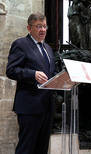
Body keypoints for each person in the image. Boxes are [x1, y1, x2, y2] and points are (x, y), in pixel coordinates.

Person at [6, 12, 55, 154]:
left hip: (47, 106)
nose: (43, 30)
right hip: (29, 106)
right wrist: (32, 74)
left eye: (45, 26)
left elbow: (51, 74)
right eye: (39, 26)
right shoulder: (20, 44)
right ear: (29, 28)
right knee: (26, 148)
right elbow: (11, 70)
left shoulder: (48, 49)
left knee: (42, 148)